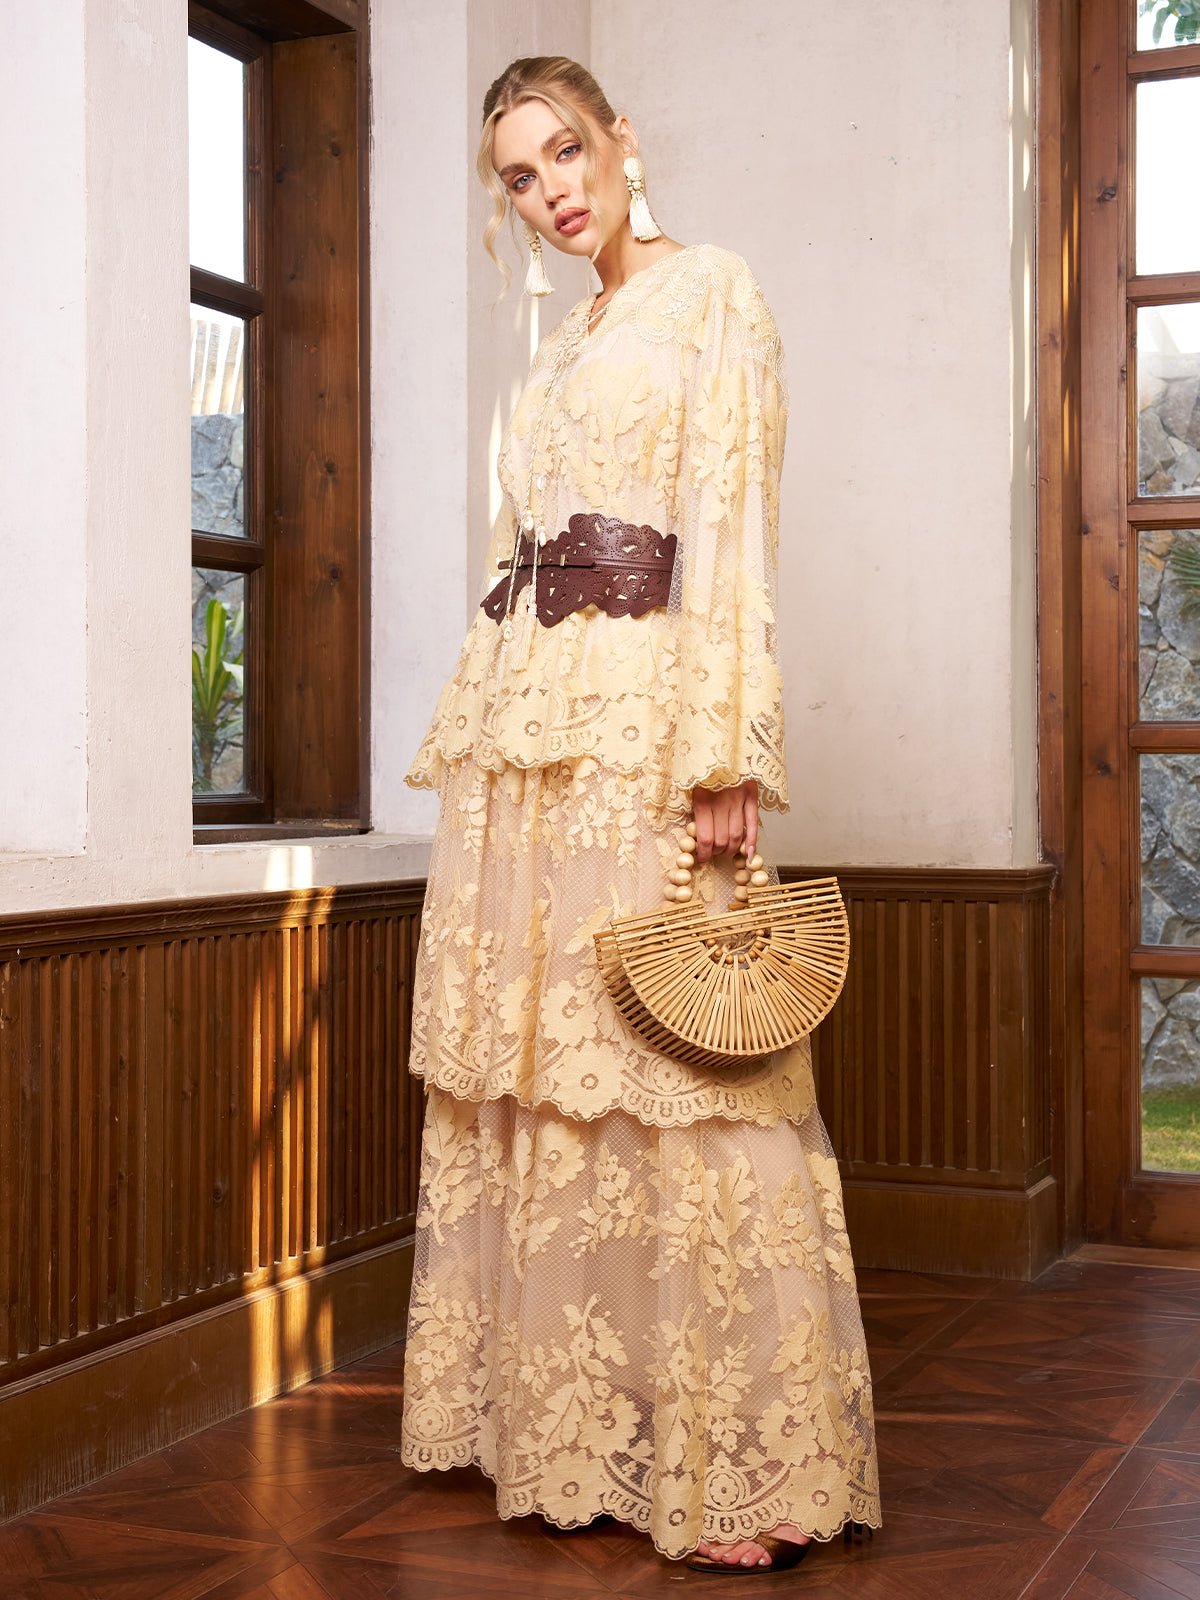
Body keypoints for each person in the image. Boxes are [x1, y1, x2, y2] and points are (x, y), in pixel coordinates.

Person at [399, 54, 882, 1575]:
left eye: (565, 153)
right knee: (548, 1072)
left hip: (645, 727)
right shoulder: (566, 344)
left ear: (623, 141)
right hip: (525, 731)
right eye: (520, 178)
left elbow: (734, 523)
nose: (551, 191)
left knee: (687, 1065)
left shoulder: (709, 294)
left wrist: (726, 750)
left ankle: (748, 1460)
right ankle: (573, 1429)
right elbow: (519, 544)